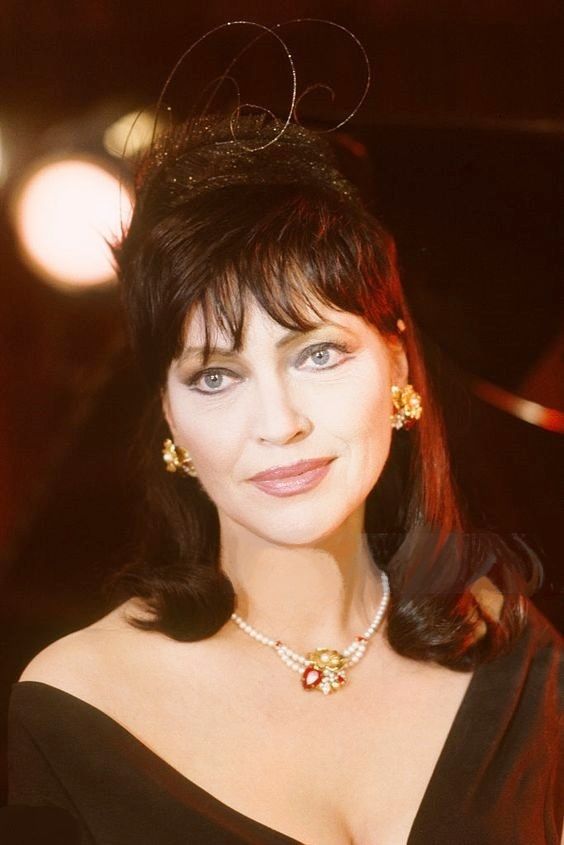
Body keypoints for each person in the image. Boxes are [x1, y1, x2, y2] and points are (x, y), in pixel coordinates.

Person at [6, 113, 563, 845]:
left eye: (317, 354)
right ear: (170, 416)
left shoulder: (516, 662)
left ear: (398, 365)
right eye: (216, 375)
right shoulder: (78, 708)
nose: (278, 423)